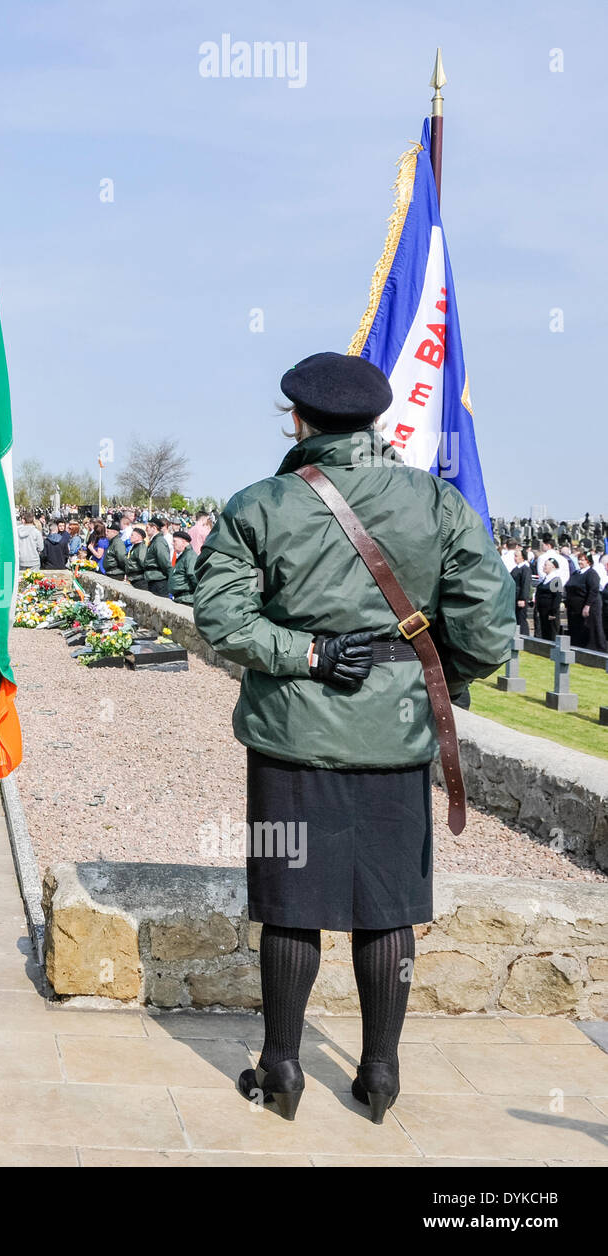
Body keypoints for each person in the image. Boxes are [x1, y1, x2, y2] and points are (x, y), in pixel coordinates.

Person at [194, 352, 511, 1125]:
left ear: (297, 419)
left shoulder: (259, 504)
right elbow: (488, 628)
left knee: (291, 902)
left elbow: (221, 619)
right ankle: (379, 1073)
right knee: (387, 905)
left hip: (291, 732)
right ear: (375, 421)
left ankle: (282, 1067)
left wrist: (303, 654)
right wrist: (432, 681)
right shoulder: (436, 503)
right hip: (397, 737)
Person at [566, 551, 607, 651]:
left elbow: (594, 590)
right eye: (579, 559)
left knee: (591, 630)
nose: (580, 562)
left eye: (582, 560)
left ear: (588, 562)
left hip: (589, 607)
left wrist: (587, 605)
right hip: (575, 608)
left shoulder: (591, 574)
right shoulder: (576, 573)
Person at [142, 518, 174, 596]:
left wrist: (171, 578)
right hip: (153, 579)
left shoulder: (159, 542)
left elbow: (165, 562)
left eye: (147, 527)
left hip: (159, 581)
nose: (146, 530)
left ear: (154, 528)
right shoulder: (154, 541)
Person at [535, 558, 564, 641]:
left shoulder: (556, 580)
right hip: (543, 610)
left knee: (551, 633)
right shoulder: (545, 579)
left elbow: (557, 597)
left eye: (546, 565)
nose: (544, 567)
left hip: (550, 612)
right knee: (544, 632)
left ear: (553, 567)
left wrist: (553, 613)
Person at [168, 528, 198, 604]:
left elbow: (194, 577)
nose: (172, 543)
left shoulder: (190, 556)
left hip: (186, 599)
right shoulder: (184, 555)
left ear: (184, 542)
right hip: (181, 598)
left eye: (175, 541)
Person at [511, 548, 533, 636]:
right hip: (514, 597)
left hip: (520, 598)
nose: (515, 558)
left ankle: (524, 636)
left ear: (523, 557)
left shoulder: (525, 569)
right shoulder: (516, 568)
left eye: (517, 556)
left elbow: (525, 584)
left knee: (521, 619)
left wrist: (523, 598)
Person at [125, 524, 150, 590]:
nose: (130, 537)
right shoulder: (135, 546)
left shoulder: (141, 548)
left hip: (139, 580)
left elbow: (143, 563)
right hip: (133, 579)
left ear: (138, 537)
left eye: (132, 535)